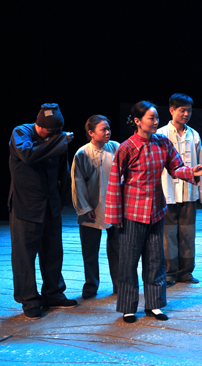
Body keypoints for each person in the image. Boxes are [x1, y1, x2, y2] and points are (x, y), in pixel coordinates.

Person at [106, 101, 202, 323]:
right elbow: (114, 181)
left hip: (156, 211)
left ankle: (154, 304)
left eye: (156, 118)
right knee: (129, 261)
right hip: (132, 213)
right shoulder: (127, 148)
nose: (156, 122)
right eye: (151, 118)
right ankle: (128, 307)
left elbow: (176, 168)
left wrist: (191, 172)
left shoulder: (163, 143)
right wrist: (114, 216)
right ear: (137, 121)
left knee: (155, 260)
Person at [8, 103, 77, 318]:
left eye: (57, 132)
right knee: (24, 255)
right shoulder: (21, 132)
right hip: (26, 206)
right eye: (50, 132)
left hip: (50, 205)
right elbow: (28, 155)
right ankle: (29, 300)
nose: (53, 136)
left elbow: (63, 170)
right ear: (39, 125)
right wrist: (59, 141)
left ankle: (53, 293)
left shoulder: (57, 139)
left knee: (53, 252)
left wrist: (63, 199)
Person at [157, 94, 202, 286]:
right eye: (182, 110)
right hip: (167, 192)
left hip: (188, 192)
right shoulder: (161, 134)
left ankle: (185, 271)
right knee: (168, 234)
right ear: (171, 110)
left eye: (189, 111)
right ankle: (169, 272)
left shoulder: (194, 135)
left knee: (188, 233)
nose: (186, 114)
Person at [71, 115, 120, 299]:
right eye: (103, 129)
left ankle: (119, 283)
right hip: (91, 208)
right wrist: (84, 207)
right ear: (91, 133)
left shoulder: (116, 148)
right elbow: (77, 183)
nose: (108, 132)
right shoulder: (82, 153)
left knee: (117, 249)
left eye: (108, 129)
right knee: (90, 250)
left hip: (114, 206)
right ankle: (91, 285)